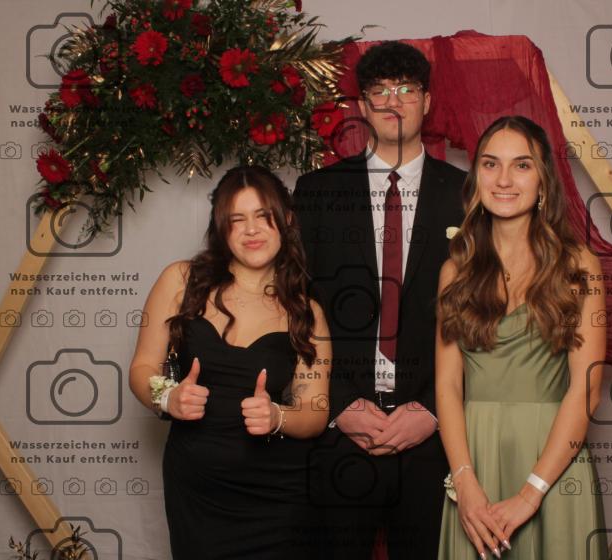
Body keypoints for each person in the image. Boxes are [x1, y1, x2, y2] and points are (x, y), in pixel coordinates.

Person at [293, 41, 465, 559]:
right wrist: (338, 403)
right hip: (342, 431)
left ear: (427, 102)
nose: (393, 100)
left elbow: (486, 317)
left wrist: (433, 410)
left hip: (435, 435)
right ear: (362, 106)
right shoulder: (317, 193)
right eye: (380, 90)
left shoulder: (469, 195)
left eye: (406, 89)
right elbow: (295, 307)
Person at [128, 165, 331, 560]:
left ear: (287, 220)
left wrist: (277, 416)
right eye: (237, 220)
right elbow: (142, 369)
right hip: (197, 493)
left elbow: (315, 409)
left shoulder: (307, 313)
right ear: (221, 228)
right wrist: (167, 398)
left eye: (263, 216)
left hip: (279, 498)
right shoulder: (180, 281)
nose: (251, 230)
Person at [435, 115, 608, 559]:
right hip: (474, 465)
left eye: (522, 165)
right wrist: (465, 485)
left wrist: (532, 493)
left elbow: (586, 387)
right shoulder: (455, 270)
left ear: (543, 180)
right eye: (491, 164)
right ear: (477, 178)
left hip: (552, 465)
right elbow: (448, 386)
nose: (504, 180)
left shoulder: (577, 266)